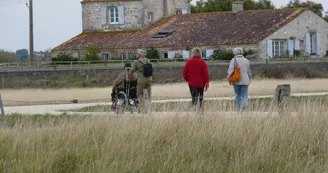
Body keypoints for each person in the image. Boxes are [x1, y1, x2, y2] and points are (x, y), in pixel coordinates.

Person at [227, 47, 252, 112]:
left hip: (236, 79)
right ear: (241, 52)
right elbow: (249, 72)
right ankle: (244, 107)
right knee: (244, 95)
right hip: (245, 79)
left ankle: (239, 109)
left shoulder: (233, 60)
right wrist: (249, 79)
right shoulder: (246, 60)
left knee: (238, 95)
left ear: (234, 52)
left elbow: (230, 70)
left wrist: (229, 78)